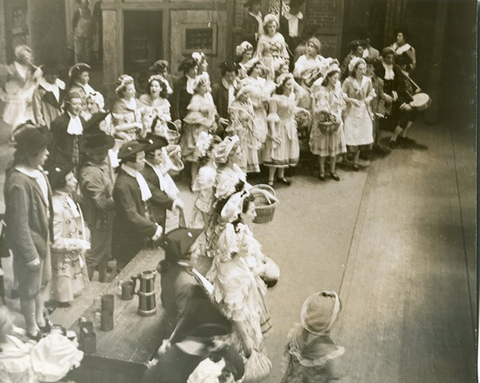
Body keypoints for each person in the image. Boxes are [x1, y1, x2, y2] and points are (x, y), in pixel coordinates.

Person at [208, 192, 272, 374]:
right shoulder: (230, 271)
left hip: (245, 312)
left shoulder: (238, 248)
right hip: (239, 328)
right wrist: (246, 341)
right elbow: (236, 312)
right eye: (251, 211)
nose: (255, 215)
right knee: (238, 363)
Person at [4, 123, 53, 340]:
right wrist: (30, 255)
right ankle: (32, 327)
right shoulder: (18, 181)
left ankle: (40, 318)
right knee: (29, 289)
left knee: (41, 282)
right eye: (43, 151)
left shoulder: (37, 171)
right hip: (30, 245)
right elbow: (18, 225)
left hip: (42, 239)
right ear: (31, 154)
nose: (47, 154)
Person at [112, 140, 163, 269]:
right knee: (128, 270)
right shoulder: (123, 185)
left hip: (137, 234)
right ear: (130, 161)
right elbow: (131, 215)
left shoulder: (135, 176)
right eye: (141, 159)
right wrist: (153, 228)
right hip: (127, 239)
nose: (144, 161)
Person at [0, 305, 83, 383]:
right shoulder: (3, 360)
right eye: (7, 321)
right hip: (31, 374)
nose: (13, 318)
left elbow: (28, 340)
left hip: (34, 357)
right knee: (59, 357)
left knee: (61, 345)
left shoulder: (11, 333)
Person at [157, 227, 211, 340]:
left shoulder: (169, 265)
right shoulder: (186, 284)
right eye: (195, 250)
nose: (199, 253)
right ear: (185, 257)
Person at [48, 163, 90, 306]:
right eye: (71, 179)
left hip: (71, 260)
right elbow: (55, 242)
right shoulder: (56, 206)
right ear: (61, 183)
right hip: (62, 264)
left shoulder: (66, 198)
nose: (75, 181)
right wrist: (77, 243)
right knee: (62, 303)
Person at [281, 290, 344, 383]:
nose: (338, 319)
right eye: (336, 316)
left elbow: (287, 365)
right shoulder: (330, 354)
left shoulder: (295, 334)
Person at [79, 131, 116, 282]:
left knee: (105, 251)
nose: (106, 154)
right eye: (101, 152)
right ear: (93, 154)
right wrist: (120, 199)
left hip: (107, 217)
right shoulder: (91, 172)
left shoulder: (102, 165)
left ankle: (102, 280)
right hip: (99, 219)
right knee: (94, 254)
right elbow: (101, 202)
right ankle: (86, 285)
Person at [180, 74, 219, 189]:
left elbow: (212, 112)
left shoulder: (208, 97)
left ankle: (203, 180)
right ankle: (193, 181)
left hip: (207, 129)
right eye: (203, 86)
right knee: (196, 157)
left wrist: (213, 122)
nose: (206, 87)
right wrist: (206, 122)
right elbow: (193, 117)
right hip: (198, 130)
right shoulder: (196, 98)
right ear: (198, 87)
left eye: (207, 85)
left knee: (206, 155)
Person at [310, 63, 346, 181]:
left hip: (335, 121)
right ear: (328, 77)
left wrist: (337, 116)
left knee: (333, 148)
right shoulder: (321, 91)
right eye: (334, 78)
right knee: (323, 147)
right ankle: (321, 170)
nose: (336, 80)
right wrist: (327, 113)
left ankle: (332, 170)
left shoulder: (337, 90)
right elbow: (320, 107)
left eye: (337, 78)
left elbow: (340, 105)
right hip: (324, 121)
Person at [263, 73, 300, 187]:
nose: (291, 87)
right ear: (282, 85)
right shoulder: (274, 98)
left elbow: (292, 111)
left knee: (286, 149)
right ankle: (270, 179)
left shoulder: (291, 97)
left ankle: (281, 176)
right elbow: (272, 116)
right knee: (277, 150)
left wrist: (303, 111)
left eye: (291, 84)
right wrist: (273, 133)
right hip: (279, 125)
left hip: (289, 125)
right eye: (288, 84)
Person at [142, 134, 184, 230]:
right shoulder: (145, 172)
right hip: (153, 211)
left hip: (160, 208)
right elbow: (154, 191)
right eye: (159, 155)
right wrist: (172, 202)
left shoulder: (154, 166)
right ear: (149, 156)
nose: (162, 158)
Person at [342, 57, 375, 171]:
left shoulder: (367, 81)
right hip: (351, 110)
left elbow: (371, 93)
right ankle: (345, 158)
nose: (363, 71)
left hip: (363, 111)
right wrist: (351, 100)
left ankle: (355, 162)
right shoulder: (348, 81)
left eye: (364, 69)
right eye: (360, 69)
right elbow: (342, 94)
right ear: (355, 70)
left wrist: (368, 99)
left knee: (361, 134)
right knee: (350, 134)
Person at [1, 45, 42, 132]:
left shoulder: (36, 70)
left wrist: (31, 93)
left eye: (29, 56)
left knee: (31, 116)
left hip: (31, 95)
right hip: (19, 97)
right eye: (24, 57)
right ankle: (17, 133)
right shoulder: (13, 69)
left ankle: (28, 133)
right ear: (20, 58)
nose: (28, 58)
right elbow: (8, 84)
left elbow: (36, 84)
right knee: (20, 116)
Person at [48, 92, 86, 175]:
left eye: (80, 104)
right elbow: (52, 145)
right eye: (75, 104)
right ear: (68, 104)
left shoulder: (82, 121)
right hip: (63, 163)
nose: (78, 107)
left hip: (79, 164)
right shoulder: (59, 122)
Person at [227, 84, 261, 173]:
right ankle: (238, 174)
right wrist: (235, 138)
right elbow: (234, 123)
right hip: (239, 132)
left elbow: (252, 117)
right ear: (239, 94)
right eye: (245, 93)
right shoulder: (234, 105)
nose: (248, 95)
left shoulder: (248, 104)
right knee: (240, 152)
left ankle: (244, 175)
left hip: (248, 131)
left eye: (248, 93)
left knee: (248, 152)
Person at [190, 133, 222, 229]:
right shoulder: (205, 173)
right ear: (208, 153)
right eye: (217, 150)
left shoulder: (214, 166)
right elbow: (204, 200)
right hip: (205, 214)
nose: (219, 153)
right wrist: (208, 222)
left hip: (212, 209)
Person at [388, 54, 420, 149]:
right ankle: (393, 139)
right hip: (399, 99)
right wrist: (401, 103)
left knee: (413, 114)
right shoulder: (396, 74)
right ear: (404, 65)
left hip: (407, 98)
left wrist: (415, 91)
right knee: (404, 118)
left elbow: (408, 87)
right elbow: (395, 90)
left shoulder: (405, 74)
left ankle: (402, 136)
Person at [240, 58, 271, 152]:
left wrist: (266, 101)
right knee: (253, 135)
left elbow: (267, 94)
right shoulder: (245, 82)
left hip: (262, 111)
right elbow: (242, 98)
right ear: (251, 69)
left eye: (259, 68)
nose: (258, 70)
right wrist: (253, 104)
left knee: (262, 134)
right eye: (256, 68)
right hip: (251, 111)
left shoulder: (263, 81)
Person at [365, 58, 390, 156]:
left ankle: (371, 148)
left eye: (370, 67)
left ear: (374, 69)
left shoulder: (378, 81)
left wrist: (380, 110)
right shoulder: (360, 79)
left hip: (373, 108)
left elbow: (382, 97)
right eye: (366, 66)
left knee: (373, 130)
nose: (367, 69)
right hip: (363, 108)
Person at [112, 74, 146, 142]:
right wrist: (135, 124)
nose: (134, 91)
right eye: (130, 89)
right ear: (123, 92)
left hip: (140, 136)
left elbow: (144, 117)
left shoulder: (136, 102)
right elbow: (117, 128)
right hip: (125, 137)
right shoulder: (118, 106)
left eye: (134, 88)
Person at [32, 60, 66, 127]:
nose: (54, 76)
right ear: (46, 74)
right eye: (51, 73)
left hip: (63, 122)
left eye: (56, 73)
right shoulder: (40, 89)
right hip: (49, 121)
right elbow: (37, 111)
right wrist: (42, 126)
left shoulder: (61, 85)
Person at [255, 14, 289, 81]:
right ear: (266, 28)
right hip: (267, 63)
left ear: (277, 26)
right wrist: (263, 66)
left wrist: (285, 62)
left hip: (279, 61)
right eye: (270, 27)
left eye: (274, 26)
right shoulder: (263, 38)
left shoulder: (280, 37)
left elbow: (284, 52)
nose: (272, 29)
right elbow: (258, 55)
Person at [211, 61, 238, 132]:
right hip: (222, 123)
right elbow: (211, 105)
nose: (230, 78)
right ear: (223, 75)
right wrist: (218, 118)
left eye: (232, 75)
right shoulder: (216, 87)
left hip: (236, 121)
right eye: (227, 76)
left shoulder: (238, 87)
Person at [172, 57, 198, 123]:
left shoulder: (197, 81)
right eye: (192, 69)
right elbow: (175, 103)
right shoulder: (179, 83)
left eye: (196, 69)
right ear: (187, 70)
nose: (195, 72)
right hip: (183, 117)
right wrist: (177, 119)